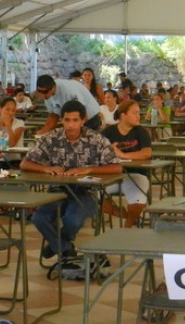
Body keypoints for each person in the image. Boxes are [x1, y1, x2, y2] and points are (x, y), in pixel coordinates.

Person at [21, 101, 122, 259]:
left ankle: (57, 245)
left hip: (87, 192)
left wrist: (89, 169)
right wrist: (46, 168)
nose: (71, 125)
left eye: (75, 120)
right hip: (57, 190)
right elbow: (25, 163)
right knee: (38, 217)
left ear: (83, 120)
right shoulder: (51, 138)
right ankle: (64, 248)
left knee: (72, 220)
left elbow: (116, 168)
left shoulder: (96, 139)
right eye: (67, 120)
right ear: (62, 119)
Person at [102, 100, 152, 228]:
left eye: (139, 113)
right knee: (87, 195)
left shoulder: (141, 131)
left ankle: (127, 227)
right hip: (112, 176)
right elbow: (96, 152)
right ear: (123, 115)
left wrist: (123, 155)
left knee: (138, 200)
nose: (138, 116)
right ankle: (124, 215)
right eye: (135, 113)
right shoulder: (108, 132)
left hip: (136, 175)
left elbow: (146, 153)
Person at [35, 74, 102, 133]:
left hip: (90, 120)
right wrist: (43, 131)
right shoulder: (46, 95)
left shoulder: (69, 91)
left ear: (53, 88)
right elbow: (53, 116)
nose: (42, 95)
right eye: (39, 91)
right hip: (75, 121)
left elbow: (83, 115)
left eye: (44, 92)